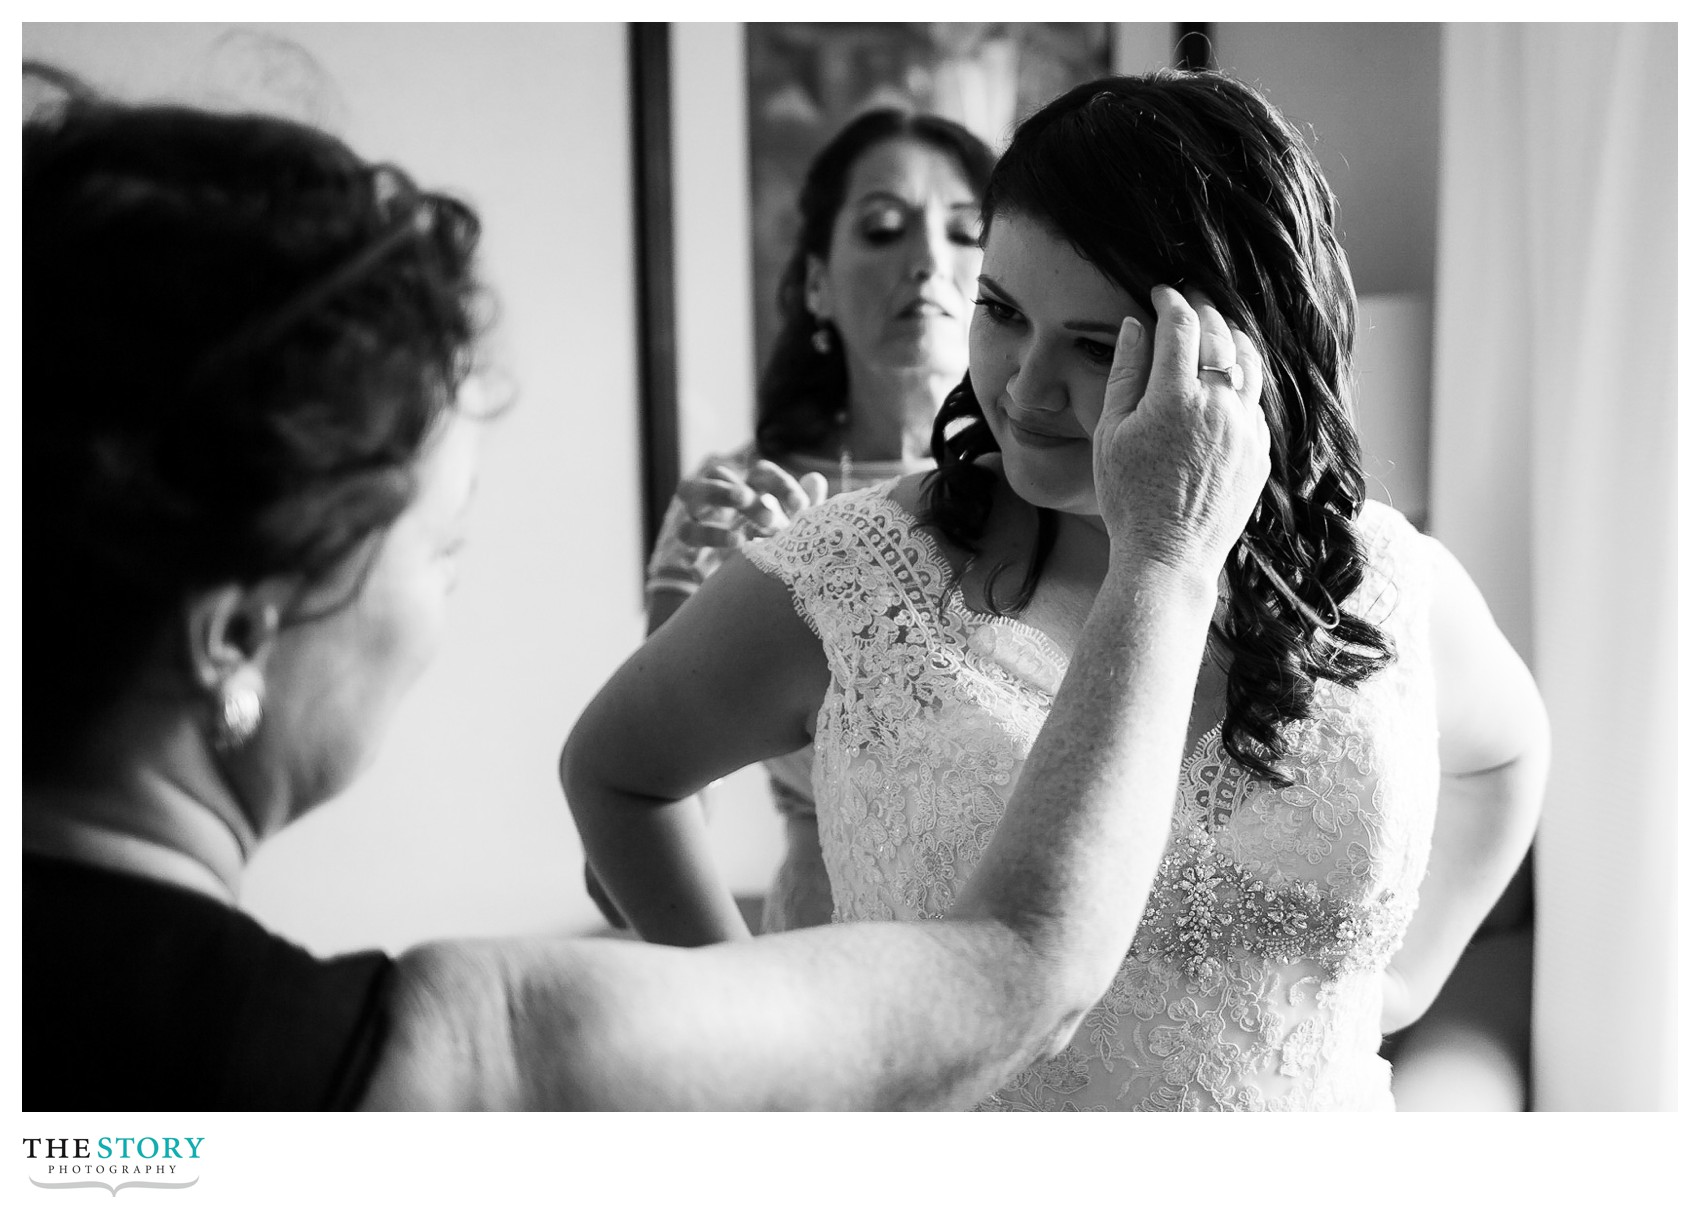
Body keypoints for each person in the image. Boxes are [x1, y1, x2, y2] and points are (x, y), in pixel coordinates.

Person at [22, 76, 1271, 1111]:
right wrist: (1166, 557)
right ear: (235, 635)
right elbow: (1020, 973)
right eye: (441, 551)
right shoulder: (408, 1061)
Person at [564, 70, 1551, 1111]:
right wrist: (766, 1064)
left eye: (1092, 347)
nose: (1025, 390)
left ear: (1237, 353)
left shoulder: (1378, 570)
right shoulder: (852, 572)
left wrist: (1393, 981)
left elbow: (1507, 750)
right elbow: (614, 773)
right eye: (1000, 311)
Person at [601, 109, 993, 935]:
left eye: (965, 233)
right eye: (885, 228)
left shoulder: (1060, 484)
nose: (927, 261)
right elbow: (622, 847)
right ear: (817, 281)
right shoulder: (735, 499)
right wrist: (750, 603)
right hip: (823, 954)